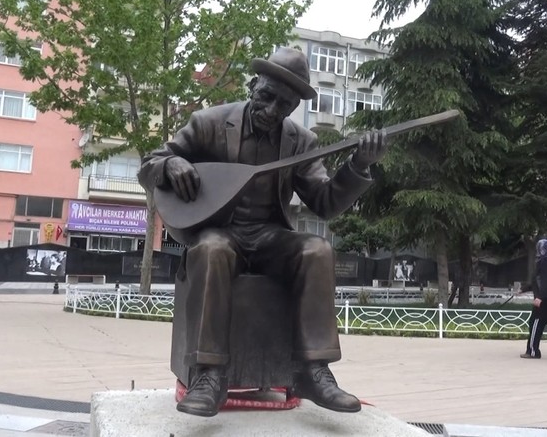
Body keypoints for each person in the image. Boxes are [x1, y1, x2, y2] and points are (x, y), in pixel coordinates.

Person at [139, 47, 387, 417]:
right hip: (221, 232)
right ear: (253, 85)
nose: (272, 111)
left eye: (284, 105)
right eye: (267, 97)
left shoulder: (301, 141)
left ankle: (313, 371)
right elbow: (150, 165)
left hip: (269, 236)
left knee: (317, 250)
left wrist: (359, 166)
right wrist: (172, 163)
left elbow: (325, 202)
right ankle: (209, 375)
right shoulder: (209, 122)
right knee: (211, 249)